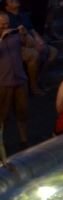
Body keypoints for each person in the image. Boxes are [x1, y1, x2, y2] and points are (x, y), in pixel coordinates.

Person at [0, 10, 28, 148]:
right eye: (2, 24)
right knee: (3, 115)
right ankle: (1, 142)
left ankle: (24, 140)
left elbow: (25, 43)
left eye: (7, 23)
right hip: (4, 82)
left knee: (22, 111)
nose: (6, 26)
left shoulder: (13, 34)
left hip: (19, 78)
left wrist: (23, 33)